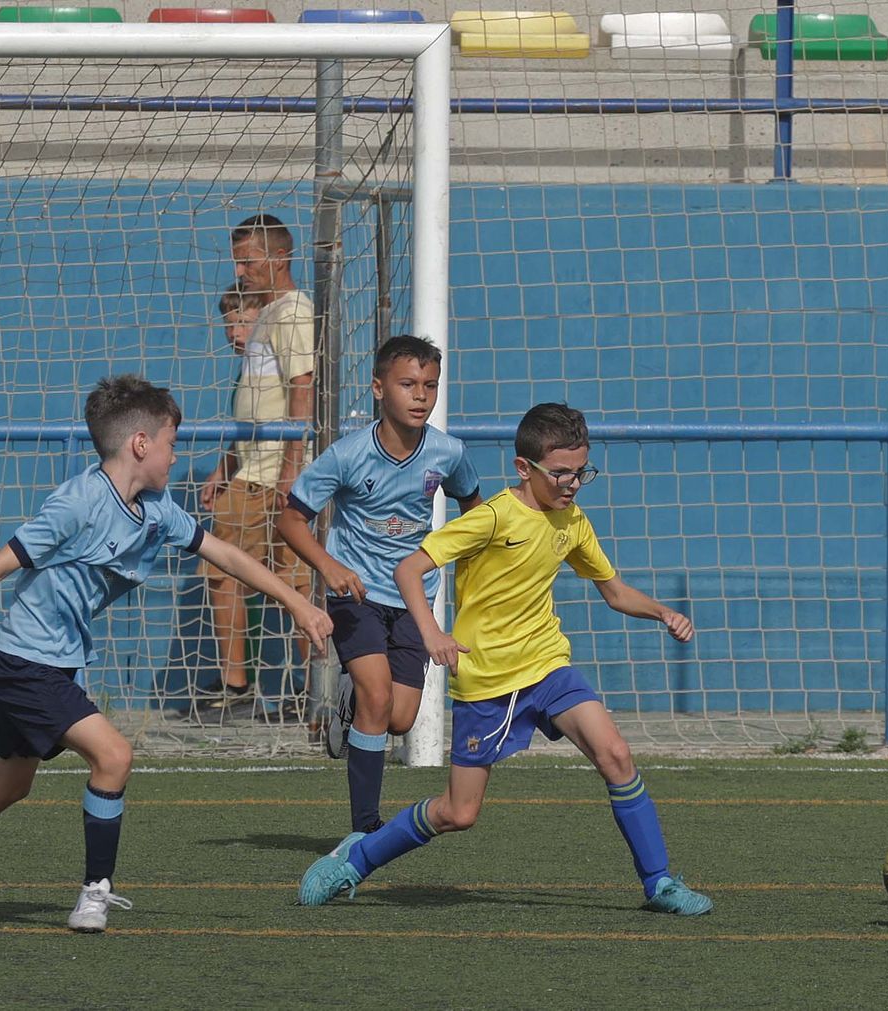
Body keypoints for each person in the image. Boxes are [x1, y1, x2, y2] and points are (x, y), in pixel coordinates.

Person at [0, 375, 332, 932]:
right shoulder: (77, 502)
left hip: (50, 660)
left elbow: (226, 555)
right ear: (140, 444)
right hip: (28, 660)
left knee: (10, 784)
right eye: (172, 442)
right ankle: (94, 895)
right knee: (114, 757)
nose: (177, 455)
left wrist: (297, 602)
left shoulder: (157, 508)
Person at [298, 403, 713, 916]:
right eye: (560, 472)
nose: (572, 483)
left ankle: (660, 884)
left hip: (546, 667)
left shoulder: (573, 522)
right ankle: (356, 860)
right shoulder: (492, 517)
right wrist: (431, 632)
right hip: (487, 681)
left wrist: (662, 612)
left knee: (617, 756)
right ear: (525, 468)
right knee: (458, 812)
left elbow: (614, 591)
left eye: (581, 472)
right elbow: (410, 568)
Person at [275, 336, 482, 836]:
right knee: (377, 693)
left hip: (415, 598)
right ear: (377, 388)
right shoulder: (347, 455)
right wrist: (327, 566)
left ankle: (345, 705)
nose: (420, 396)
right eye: (407, 384)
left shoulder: (448, 453)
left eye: (429, 386)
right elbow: (291, 520)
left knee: (401, 718)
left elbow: (475, 511)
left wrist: (462, 560)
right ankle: (364, 830)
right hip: (356, 594)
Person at [197, 217, 315, 719]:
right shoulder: (264, 316)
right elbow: (255, 404)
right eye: (237, 261)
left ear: (279, 259)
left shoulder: (293, 312)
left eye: (248, 261)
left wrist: (291, 473)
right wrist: (224, 465)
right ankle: (238, 685)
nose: (240, 271)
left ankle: (317, 689)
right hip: (249, 471)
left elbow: (302, 389)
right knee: (226, 574)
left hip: (275, 477)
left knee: (296, 584)